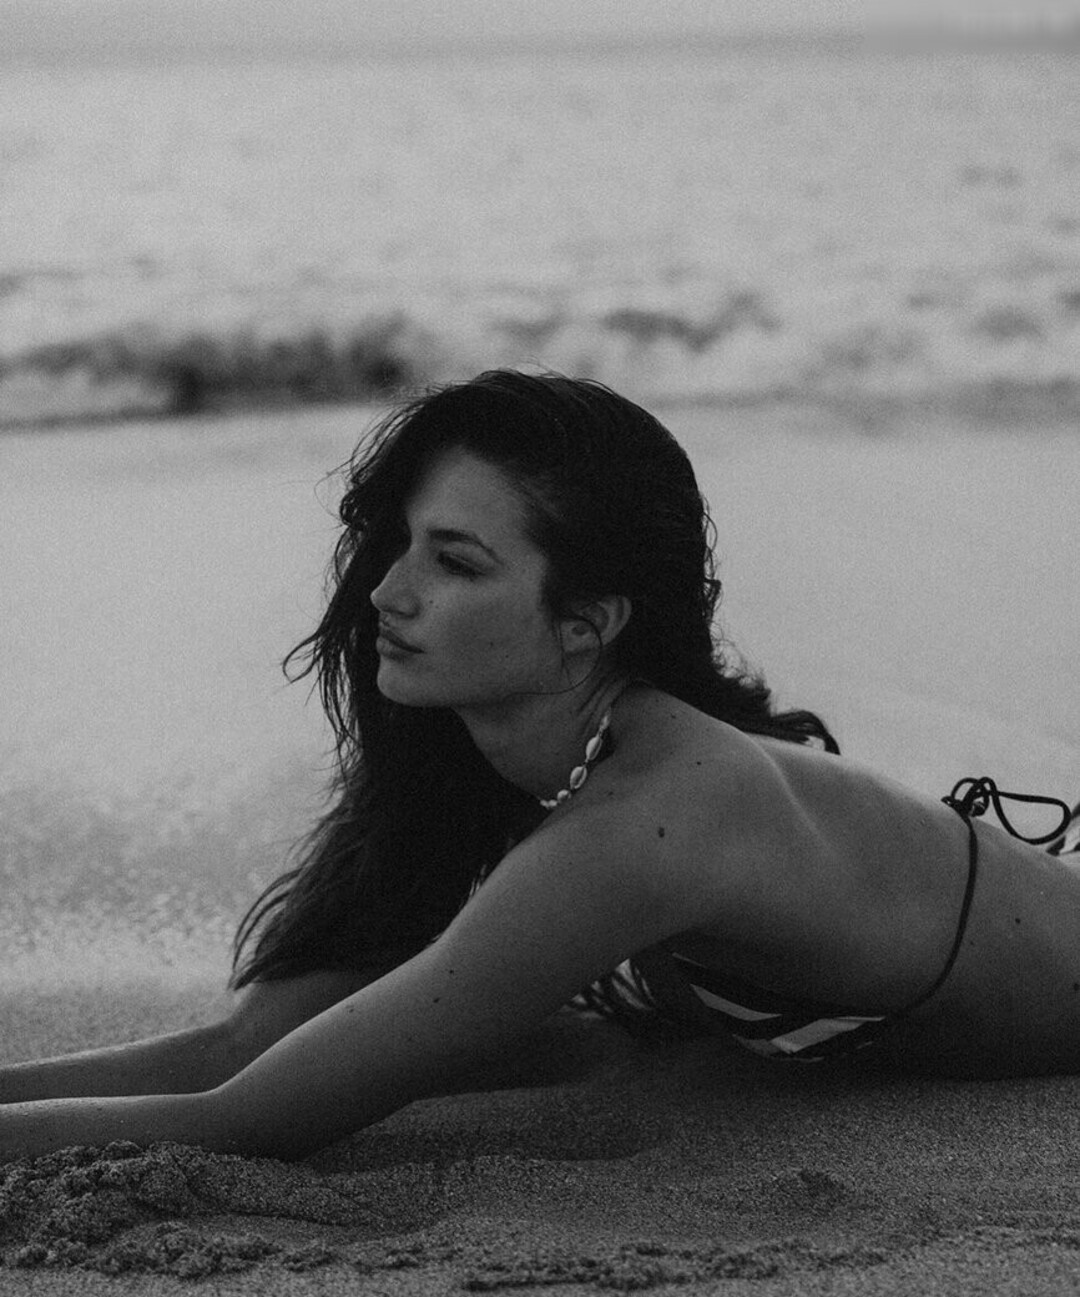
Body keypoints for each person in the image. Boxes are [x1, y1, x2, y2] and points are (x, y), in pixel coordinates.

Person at [1, 369, 1077, 1164]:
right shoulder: (521, 763)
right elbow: (242, 1047)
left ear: (585, 622)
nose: (388, 592)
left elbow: (240, 1120)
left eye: (456, 563)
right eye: (404, 542)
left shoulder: (650, 817)